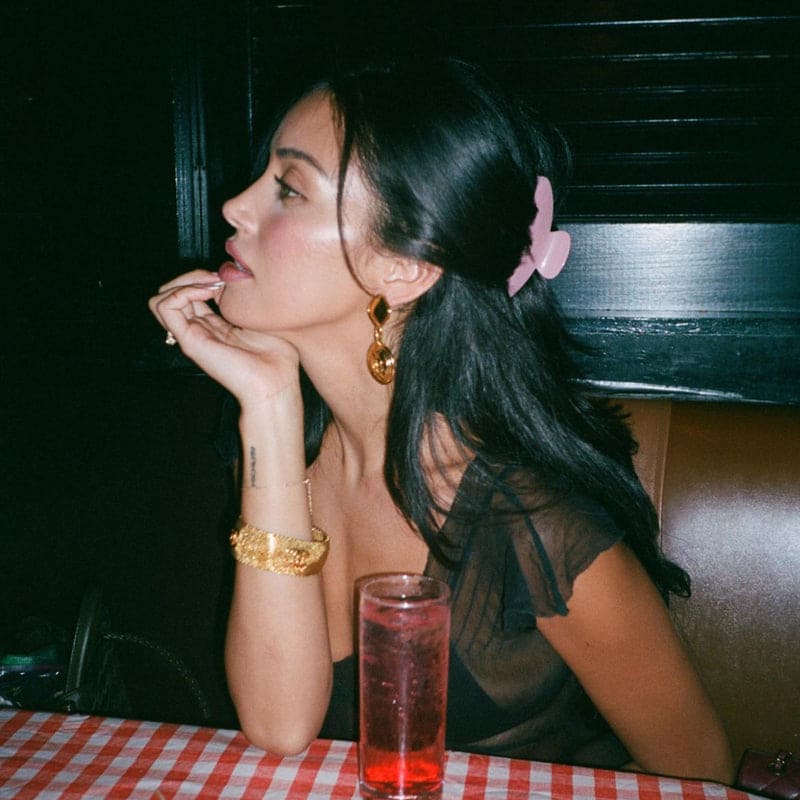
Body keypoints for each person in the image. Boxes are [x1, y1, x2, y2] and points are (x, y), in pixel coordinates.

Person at [149, 58, 734, 782]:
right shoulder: (282, 450)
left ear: (402, 267)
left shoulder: (536, 529)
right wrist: (266, 407)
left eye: (288, 189)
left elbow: (702, 775)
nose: (235, 206)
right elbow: (280, 726)